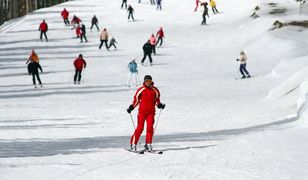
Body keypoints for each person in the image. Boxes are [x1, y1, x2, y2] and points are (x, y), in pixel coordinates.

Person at [127, 75, 165, 152]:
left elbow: (157, 100)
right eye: (146, 81)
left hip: (151, 113)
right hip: (142, 112)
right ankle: (133, 144)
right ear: (144, 82)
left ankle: (148, 144)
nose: (148, 83)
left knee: (150, 128)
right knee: (140, 128)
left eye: (149, 81)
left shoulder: (155, 90)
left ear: (151, 82)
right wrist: (131, 107)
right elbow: (136, 100)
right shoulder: (141, 90)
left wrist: (160, 105)